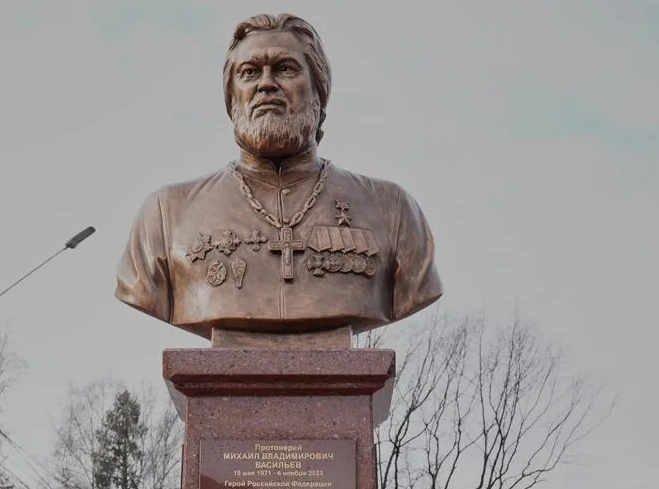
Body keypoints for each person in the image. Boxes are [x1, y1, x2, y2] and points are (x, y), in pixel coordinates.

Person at [116, 13, 441, 343]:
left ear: (318, 91)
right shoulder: (167, 214)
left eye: (285, 68)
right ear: (231, 97)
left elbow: (416, 290)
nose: (266, 83)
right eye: (249, 72)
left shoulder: (391, 209)